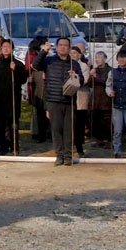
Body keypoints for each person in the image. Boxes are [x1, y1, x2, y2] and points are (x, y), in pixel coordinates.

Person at [34, 36, 83, 166]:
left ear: (69, 48)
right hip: (53, 100)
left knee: (68, 130)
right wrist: (44, 51)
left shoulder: (75, 64)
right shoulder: (49, 61)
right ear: (56, 47)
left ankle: (68, 156)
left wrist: (75, 76)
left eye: (66, 45)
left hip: (69, 100)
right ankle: (59, 155)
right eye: (60, 45)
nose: (63, 47)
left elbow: (82, 81)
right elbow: (35, 66)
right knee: (56, 129)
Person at [0, 39, 28, 155]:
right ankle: (1, 147)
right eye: (3, 46)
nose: (5, 48)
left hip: (12, 99)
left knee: (13, 125)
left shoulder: (18, 64)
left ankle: (14, 147)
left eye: (8, 46)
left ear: (12, 49)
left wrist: (15, 70)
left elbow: (23, 80)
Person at [69, 42, 92, 157]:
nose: (73, 55)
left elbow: (85, 80)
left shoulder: (83, 66)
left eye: (75, 53)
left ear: (79, 55)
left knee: (79, 123)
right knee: (69, 124)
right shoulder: (67, 64)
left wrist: (74, 78)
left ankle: (79, 147)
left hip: (81, 97)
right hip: (68, 98)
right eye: (71, 53)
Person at [89, 51, 112, 145]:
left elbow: (106, 81)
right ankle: (99, 139)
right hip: (96, 100)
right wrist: (91, 75)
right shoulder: (95, 69)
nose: (97, 60)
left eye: (99, 57)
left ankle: (108, 140)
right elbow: (89, 83)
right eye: (96, 57)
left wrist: (95, 76)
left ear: (105, 58)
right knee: (97, 120)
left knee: (107, 121)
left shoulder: (109, 70)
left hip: (106, 99)